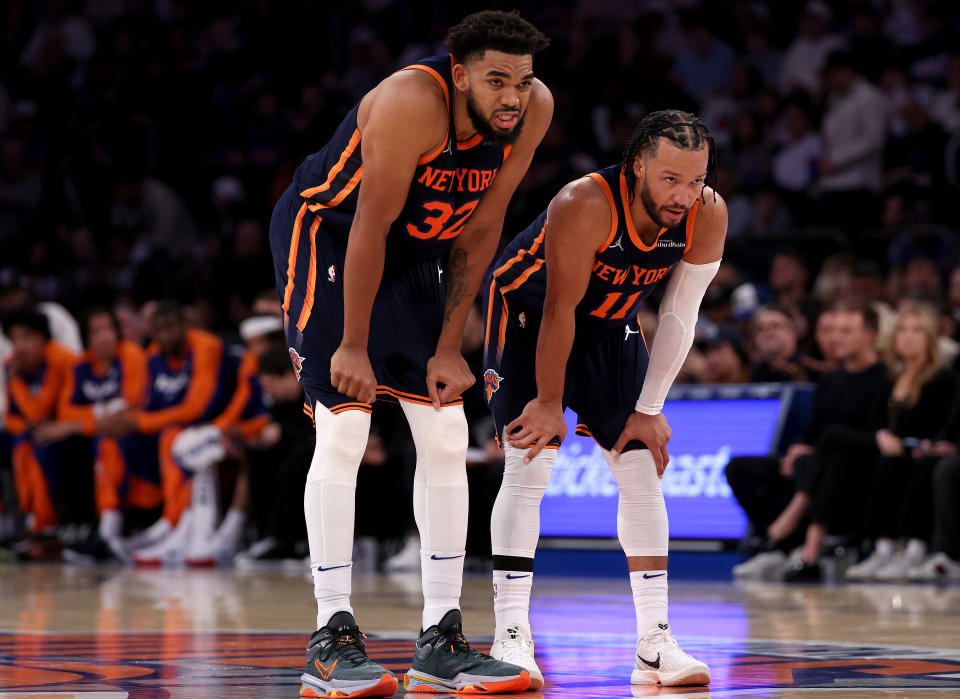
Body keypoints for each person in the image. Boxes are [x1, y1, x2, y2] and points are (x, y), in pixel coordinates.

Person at [267, 11, 553, 697]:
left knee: (448, 430)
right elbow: (368, 225)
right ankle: (330, 637)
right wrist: (355, 345)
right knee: (345, 423)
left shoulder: (532, 110)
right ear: (458, 75)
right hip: (332, 236)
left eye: (522, 79)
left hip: (415, 255)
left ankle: (441, 637)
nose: (513, 95)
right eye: (495, 80)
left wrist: (450, 344)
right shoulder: (408, 102)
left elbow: (484, 225)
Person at [483, 110, 725, 688]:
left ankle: (654, 642)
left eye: (696, 180)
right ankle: (511, 634)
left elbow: (679, 314)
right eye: (671, 179)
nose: (685, 195)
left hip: (610, 325)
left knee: (641, 467)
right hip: (528, 318)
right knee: (531, 459)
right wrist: (547, 401)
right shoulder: (584, 202)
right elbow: (559, 309)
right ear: (638, 165)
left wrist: (648, 408)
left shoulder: (707, 213)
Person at [34, 308, 154, 561]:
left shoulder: (130, 355)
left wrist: (79, 423)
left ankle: (109, 531)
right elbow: (66, 411)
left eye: (109, 329)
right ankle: (63, 526)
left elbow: (129, 406)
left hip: (137, 435)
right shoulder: (80, 365)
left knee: (107, 440)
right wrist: (97, 415)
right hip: (95, 436)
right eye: (96, 331)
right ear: (86, 338)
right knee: (47, 443)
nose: (104, 337)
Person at [2, 307, 78, 536]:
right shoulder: (13, 364)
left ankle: (46, 524)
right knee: (20, 443)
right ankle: (23, 521)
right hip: (39, 432)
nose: (19, 345)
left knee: (38, 447)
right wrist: (26, 428)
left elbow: (40, 412)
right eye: (14, 339)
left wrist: (16, 383)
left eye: (26, 337)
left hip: (71, 432)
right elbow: (12, 418)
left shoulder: (60, 358)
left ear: (43, 338)